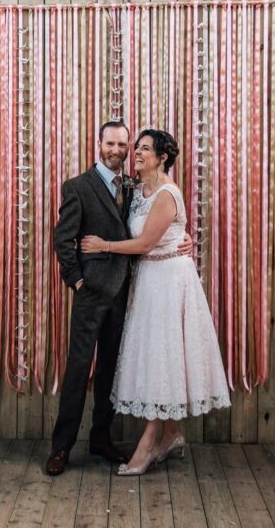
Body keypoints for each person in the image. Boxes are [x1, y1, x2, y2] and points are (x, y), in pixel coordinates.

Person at [80, 129, 230, 476]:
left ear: (162, 158)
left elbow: (146, 243)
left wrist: (103, 245)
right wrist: (183, 236)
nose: (136, 153)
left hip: (169, 281)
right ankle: (172, 434)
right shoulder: (136, 189)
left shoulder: (166, 193)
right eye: (137, 148)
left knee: (165, 355)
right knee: (156, 356)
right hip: (148, 281)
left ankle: (148, 443)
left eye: (144, 149)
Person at [45, 121, 191, 476]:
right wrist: (77, 281)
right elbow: (63, 240)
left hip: (127, 294)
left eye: (123, 145)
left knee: (111, 369)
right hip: (91, 293)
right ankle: (61, 448)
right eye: (111, 143)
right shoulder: (78, 186)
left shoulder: (134, 187)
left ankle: (101, 439)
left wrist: (185, 241)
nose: (118, 150)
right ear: (99, 144)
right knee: (79, 370)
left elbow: (159, 227)